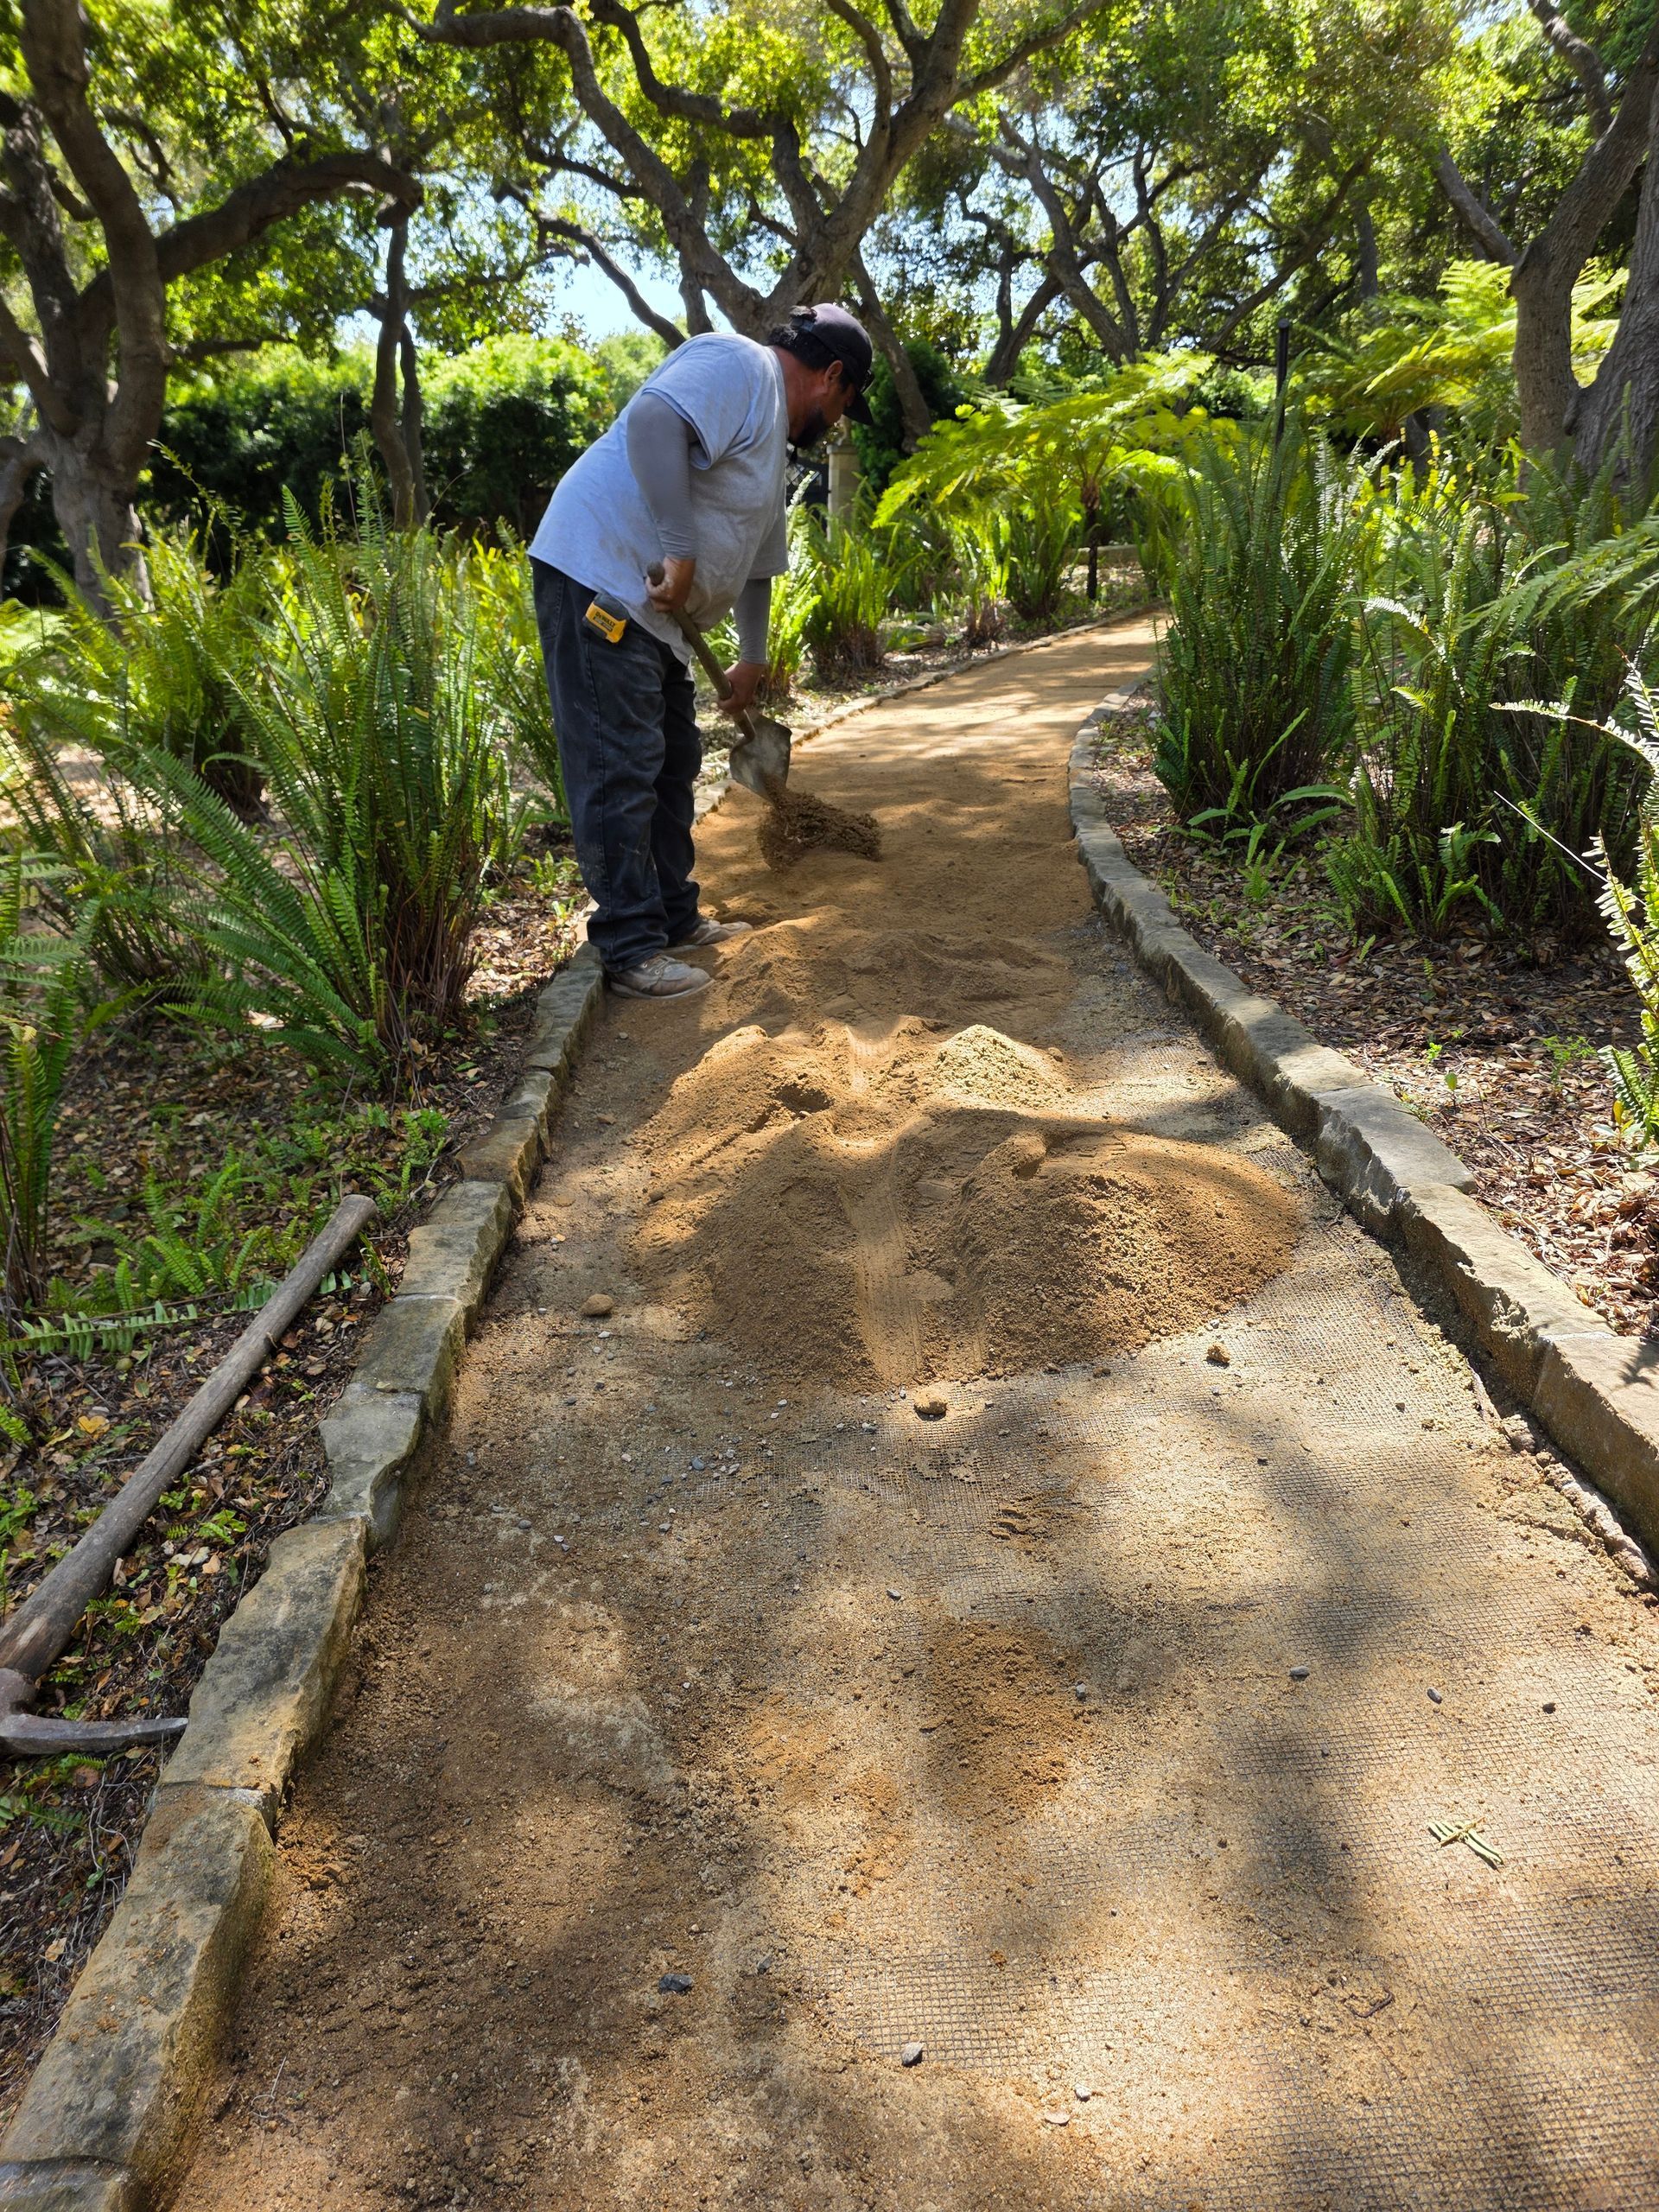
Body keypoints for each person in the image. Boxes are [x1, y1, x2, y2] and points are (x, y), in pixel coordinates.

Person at [528, 304, 875, 1000]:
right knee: (619, 762)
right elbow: (655, 420)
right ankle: (629, 945)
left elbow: (758, 563)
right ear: (832, 376)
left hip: (658, 620)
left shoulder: (769, 445)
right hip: (603, 578)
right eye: (845, 405)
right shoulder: (740, 363)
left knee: (673, 760)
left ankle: (673, 916)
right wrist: (680, 548)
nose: (838, 421)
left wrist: (751, 658)